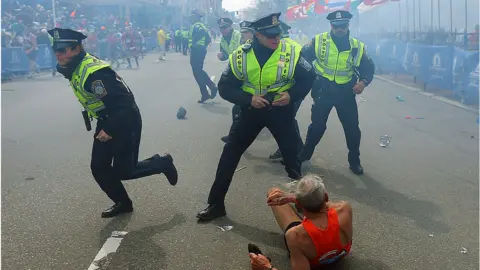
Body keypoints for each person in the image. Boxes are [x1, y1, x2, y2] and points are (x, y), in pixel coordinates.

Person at [196, 13, 317, 221]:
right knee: (229, 156)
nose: (276, 38)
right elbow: (225, 88)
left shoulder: (291, 51)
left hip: (280, 112)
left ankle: (305, 206)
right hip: (251, 112)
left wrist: (292, 96)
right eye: (270, 35)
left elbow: (309, 77)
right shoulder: (240, 55)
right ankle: (215, 204)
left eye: (278, 33)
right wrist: (248, 98)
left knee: (292, 162)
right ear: (257, 35)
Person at [48, 28, 178, 218]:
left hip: (124, 120)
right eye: (56, 50)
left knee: (125, 171)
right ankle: (123, 203)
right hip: (107, 118)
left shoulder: (94, 73)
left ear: (76, 49)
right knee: (99, 167)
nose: (58, 54)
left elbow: (124, 104)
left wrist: (110, 129)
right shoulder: (75, 65)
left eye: (63, 50)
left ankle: (162, 163)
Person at [299, 10, 375, 175]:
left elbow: (368, 68)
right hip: (323, 90)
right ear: (331, 25)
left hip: (345, 93)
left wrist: (363, 82)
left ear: (348, 26)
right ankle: (304, 157)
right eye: (336, 26)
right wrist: (312, 74)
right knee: (317, 127)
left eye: (343, 26)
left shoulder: (357, 46)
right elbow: (302, 57)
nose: (339, 29)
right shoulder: (319, 41)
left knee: (352, 129)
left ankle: (354, 161)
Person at [249, 174, 353, 269]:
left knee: (273, 191)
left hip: (315, 263)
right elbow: (325, 204)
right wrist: (298, 198)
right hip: (341, 254)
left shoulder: (295, 235)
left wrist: (267, 267)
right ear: (325, 196)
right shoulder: (344, 208)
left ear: (298, 204)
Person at [268, 21, 304, 162]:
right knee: (286, 121)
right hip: (294, 90)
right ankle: (290, 149)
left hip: (289, 91)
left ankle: (295, 151)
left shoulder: (284, 47)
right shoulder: (294, 45)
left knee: (286, 121)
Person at [220, 20, 253, 143]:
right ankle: (234, 137)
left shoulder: (252, 46)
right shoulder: (225, 40)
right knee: (238, 110)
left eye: (246, 32)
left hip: (262, 89)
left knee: (280, 124)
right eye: (242, 32)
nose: (242, 34)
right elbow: (228, 55)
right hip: (245, 81)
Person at [188, 9, 218, 103]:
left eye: (192, 16)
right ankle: (205, 93)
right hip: (198, 50)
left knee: (197, 72)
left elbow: (203, 35)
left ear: (197, 17)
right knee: (198, 72)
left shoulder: (197, 26)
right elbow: (208, 39)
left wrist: (195, 45)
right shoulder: (199, 25)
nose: (190, 17)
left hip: (197, 51)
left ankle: (211, 88)